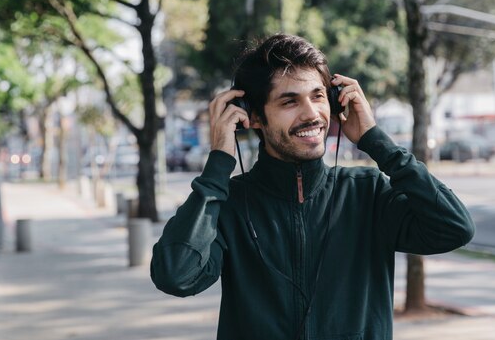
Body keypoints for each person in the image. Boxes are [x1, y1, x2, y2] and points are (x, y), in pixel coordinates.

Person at [151, 34, 475, 340]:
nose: (312, 114)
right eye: (289, 102)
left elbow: (455, 227)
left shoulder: (367, 193)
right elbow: (177, 276)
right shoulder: (228, 204)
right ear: (255, 118)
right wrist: (218, 164)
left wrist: (376, 141)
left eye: (318, 96)